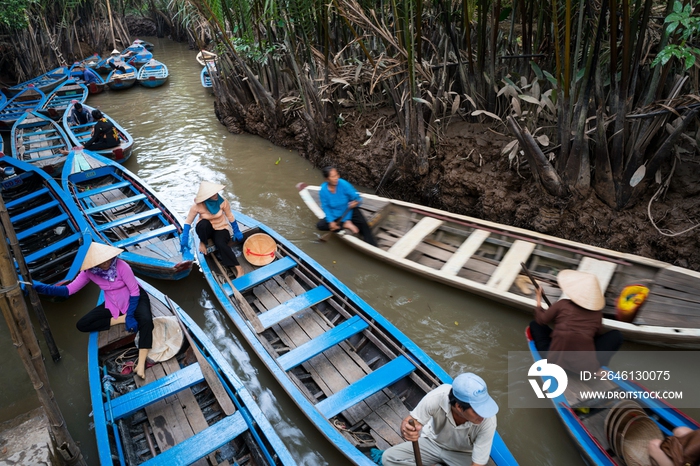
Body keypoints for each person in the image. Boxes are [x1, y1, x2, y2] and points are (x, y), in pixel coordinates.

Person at [32, 243, 154, 378]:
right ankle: (121, 318)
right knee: (82, 324)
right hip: (113, 303)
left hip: (134, 298)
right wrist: (43, 288)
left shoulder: (121, 266)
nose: (106, 263)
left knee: (146, 321)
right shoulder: (89, 272)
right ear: (94, 264)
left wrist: (131, 314)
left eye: (107, 259)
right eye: (101, 262)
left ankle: (141, 364)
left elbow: (134, 291)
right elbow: (69, 290)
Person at [381, 373, 499, 466]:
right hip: (432, 443)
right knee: (388, 458)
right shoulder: (437, 397)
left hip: (462, 454)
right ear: (459, 407)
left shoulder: (488, 420)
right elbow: (411, 421)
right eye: (476, 411)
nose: (482, 416)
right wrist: (408, 430)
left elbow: (478, 463)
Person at [529, 270, 623, 374]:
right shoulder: (597, 314)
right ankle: (598, 368)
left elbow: (542, 319)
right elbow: (596, 334)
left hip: (555, 361)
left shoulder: (562, 304)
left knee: (535, 324)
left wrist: (538, 298)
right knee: (616, 335)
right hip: (585, 367)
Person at [182, 181, 245, 278]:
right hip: (206, 229)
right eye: (213, 194)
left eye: (216, 193)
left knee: (221, 243)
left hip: (220, 227)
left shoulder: (223, 201)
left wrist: (236, 230)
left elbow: (230, 216)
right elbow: (188, 222)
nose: (216, 195)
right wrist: (185, 237)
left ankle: (238, 268)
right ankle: (203, 242)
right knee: (203, 224)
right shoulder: (197, 205)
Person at [317, 166, 377, 246]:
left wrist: (356, 202)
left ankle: (372, 246)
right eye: (333, 176)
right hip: (336, 215)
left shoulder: (343, 184)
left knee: (365, 227)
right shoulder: (323, 190)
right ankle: (345, 224)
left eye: (337, 175)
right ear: (327, 179)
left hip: (349, 210)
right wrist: (331, 221)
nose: (336, 178)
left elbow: (357, 198)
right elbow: (326, 207)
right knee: (320, 225)